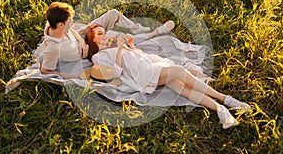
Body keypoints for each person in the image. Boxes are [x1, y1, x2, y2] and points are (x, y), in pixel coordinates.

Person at [85, 24, 251, 129]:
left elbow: (138, 57)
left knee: (182, 88)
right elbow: (115, 73)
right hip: (145, 75)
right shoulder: (98, 57)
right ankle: (226, 98)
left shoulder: (117, 46)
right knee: (179, 71)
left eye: (104, 31)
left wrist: (131, 45)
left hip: (153, 65)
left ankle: (220, 109)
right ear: (93, 41)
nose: (105, 34)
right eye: (100, 34)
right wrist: (120, 49)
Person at [39, 2, 174, 79]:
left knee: (113, 14)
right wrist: (72, 76)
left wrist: (79, 38)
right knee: (122, 42)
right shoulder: (53, 49)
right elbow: (45, 70)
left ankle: (138, 28)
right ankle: (156, 32)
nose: (72, 23)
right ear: (61, 25)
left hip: (83, 35)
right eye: (70, 22)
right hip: (89, 50)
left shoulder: (52, 23)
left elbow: (71, 29)